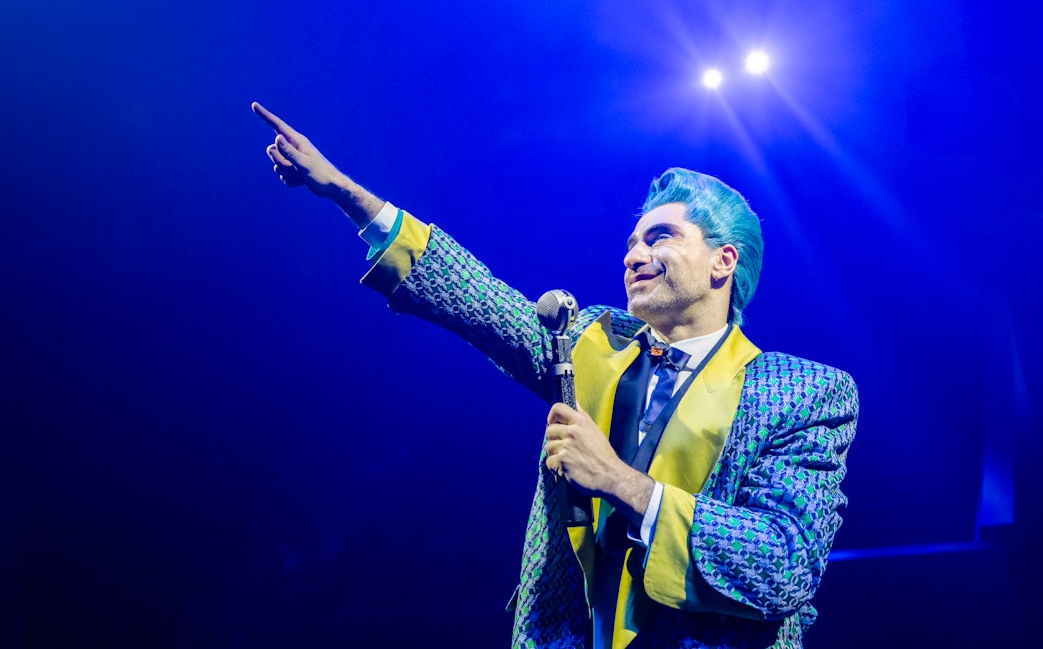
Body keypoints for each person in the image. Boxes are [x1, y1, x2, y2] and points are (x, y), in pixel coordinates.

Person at [252, 101, 858, 649]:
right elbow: (478, 299)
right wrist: (347, 195)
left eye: (661, 236)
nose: (632, 254)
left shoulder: (802, 393)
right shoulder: (592, 342)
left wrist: (622, 483)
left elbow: (784, 566)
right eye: (630, 242)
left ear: (724, 260)